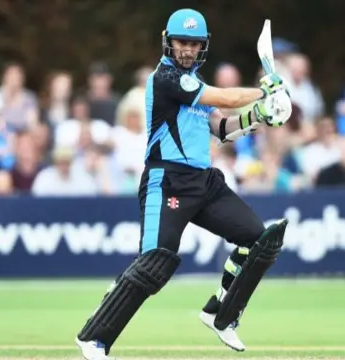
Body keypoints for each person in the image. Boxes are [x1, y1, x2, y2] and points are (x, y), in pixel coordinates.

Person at [75, 9, 292, 360]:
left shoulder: (195, 83)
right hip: (167, 181)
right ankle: (94, 338)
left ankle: (220, 315)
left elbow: (223, 129)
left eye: (194, 43)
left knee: (258, 240)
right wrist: (266, 89)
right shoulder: (166, 79)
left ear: (202, 46)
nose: (188, 50)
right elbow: (223, 98)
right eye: (182, 42)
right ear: (168, 42)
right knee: (154, 264)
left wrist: (261, 117)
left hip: (204, 182)